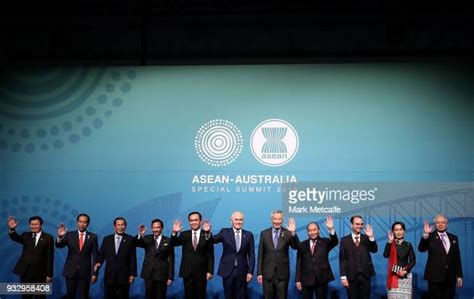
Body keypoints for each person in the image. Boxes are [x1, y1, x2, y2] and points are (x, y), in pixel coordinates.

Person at [202, 211, 255, 299]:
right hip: (227, 271)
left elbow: (251, 255)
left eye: (240, 220)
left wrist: (250, 272)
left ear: (243, 221)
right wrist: (207, 232)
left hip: (242, 271)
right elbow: (212, 240)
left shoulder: (249, 235)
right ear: (231, 221)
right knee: (228, 296)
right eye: (236, 219)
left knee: (241, 296)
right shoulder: (224, 232)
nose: (238, 222)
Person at [7, 215, 54, 299]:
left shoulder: (48, 238)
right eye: (32, 224)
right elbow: (15, 238)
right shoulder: (26, 235)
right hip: (25, 272)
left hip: (41, 273)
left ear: (41, 225)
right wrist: (12, 229)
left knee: (40, 297)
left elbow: (50, 257)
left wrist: (49, 275)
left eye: (36, 224)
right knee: (26, 296)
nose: (34, 226)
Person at [171, 211, 214, 299]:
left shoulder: (207, 234)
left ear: (200, 221)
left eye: (195, 220)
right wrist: (174, 233)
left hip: (202, 273)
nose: (193, 222)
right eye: (191, 220)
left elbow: (210, 255)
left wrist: (210, 271)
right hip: (187, 272)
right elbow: (173, 243)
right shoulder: (184, 234)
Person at [418, 214, 463, 299]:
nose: (440, 224)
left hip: (450, 277)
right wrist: (425, 235)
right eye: (438, 222)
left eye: (443, 222)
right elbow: (421, 248)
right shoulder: (429, 236)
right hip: (434, 277)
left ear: (447, 224)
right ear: (435, 224)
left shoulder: (454, 238)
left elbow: (457, 258)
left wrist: (459, 275)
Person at [257, 210, 299, 299]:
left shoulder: (288, 233)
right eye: (275, 219)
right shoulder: (264, 234)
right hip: (267, 274)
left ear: (282, 220)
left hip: (282, 274)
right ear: (271, 219)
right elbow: (260, 254)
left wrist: (293, 233)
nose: (277, 221)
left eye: (279, 219)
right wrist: (259, 273)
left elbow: (296, 247)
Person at [55, 213, 99, 299]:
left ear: (88, 224)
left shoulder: (93, 237)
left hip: (85, 272)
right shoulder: (69, 235)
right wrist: (60, 237)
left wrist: (95, 273)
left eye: (84, 222)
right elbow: (59, 245)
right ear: (77, 222)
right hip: (70, 270)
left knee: (84, 296)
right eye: (80, 222)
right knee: (70, 295)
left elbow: (95, 255)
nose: (82, 224)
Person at [295, 216, 338, 299]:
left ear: (318, 230)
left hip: (322, 279)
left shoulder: (325, 242)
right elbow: (299, 262)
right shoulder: (302, 245)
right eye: (309, 230)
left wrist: (331, 229)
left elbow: (335, 242)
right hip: (306, 279)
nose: (312, 232)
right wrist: (297, 280)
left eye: (314, 230)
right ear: (307, 232)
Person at [96, 217, 137, 299]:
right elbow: (101, 254)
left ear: (125, 226)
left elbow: (133, 258)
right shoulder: (107, 239)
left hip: (124, 276)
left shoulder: (130, 239)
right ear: (114, 226)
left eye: (123, 225)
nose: (121, 227)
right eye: (118, 225)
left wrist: (133, 274)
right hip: (109, 275)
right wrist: (98, 262)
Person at [339, 215, 378, 299]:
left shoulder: (367, 238)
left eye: (361, 224)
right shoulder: (344, 240)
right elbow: (342, 259)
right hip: (351, 276)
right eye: (357, 224)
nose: (360, 226)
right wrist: (343, 277)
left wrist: (371, 237)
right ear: (351, 225)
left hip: (366, 275)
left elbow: (374, 250)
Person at [136, 219, 174, 299]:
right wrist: (140, 235)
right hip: (149, 274)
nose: (155, 229)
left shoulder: (168, 240)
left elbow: (171, 259)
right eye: (154, 228)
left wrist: (170, 277)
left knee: (160, 296)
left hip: (162, 274)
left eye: (158, 227)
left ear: (162, 228)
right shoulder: (146, 238)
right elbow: (136, 243)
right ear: (151, 228)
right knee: (149, 296)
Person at [383, 221, 416, 299]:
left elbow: (413, 260)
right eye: (396, 230)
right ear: (393, 232)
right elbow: (385, 255)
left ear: (404, 231)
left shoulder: (408, 245)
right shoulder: (391, 243)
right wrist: (390, 242)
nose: (399, 232)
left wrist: (405, 271)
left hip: (405, 276)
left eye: (401, 229)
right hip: (393, 276)